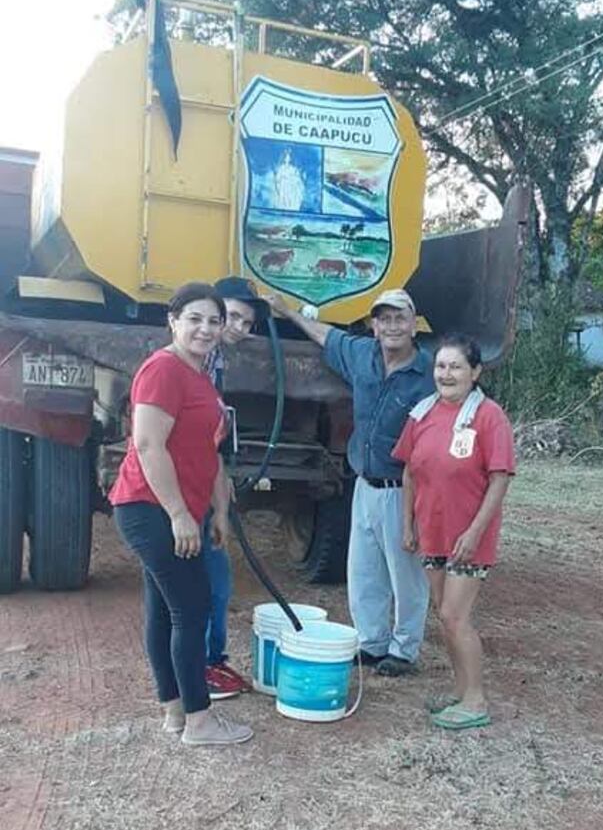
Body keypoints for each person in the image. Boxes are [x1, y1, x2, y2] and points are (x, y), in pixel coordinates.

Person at [110, 282, 253, 747]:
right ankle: (200, 720)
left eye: (214, 320)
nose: (206, 329)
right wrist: (177, 513)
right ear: (172, 320)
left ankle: (174, 712)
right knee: (191, 610)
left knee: (165, 612)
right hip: (149, 507)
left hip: (175, 509)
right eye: (194, 318)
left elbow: (208, 453)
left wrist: (217, 511)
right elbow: (148, 445)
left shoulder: (200, 378)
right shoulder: (163, 369)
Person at [270, 287, 434, 675]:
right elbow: (326, 335)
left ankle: (405, 649)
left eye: (400, 318)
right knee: (364, 570)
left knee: (406, 574)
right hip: (364, 482)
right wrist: (288, 311)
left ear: (414, 325)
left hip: (404, 488)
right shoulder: (363, 355)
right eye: (384, 319)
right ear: (374, 327)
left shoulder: (430, 372)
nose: (392, 326)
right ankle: (372, 642)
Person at [393, 333, 515, 729]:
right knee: (445, 618)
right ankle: (461, 691)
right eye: (441, 366)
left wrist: (475, 532)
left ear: (475, 372)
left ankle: (476, 699)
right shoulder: (423, 413)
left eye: (456, 366)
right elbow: (409, 471)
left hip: (468, 536)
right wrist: (407, 524)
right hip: (433, 529)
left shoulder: (488, 415)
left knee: (454, 616)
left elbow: (499, 478)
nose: (446, 374)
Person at [195, 276, 263, 699]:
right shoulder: (186, 363)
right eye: (232, 317)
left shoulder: (213, 361)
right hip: (186, 491)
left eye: (246, 322)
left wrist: (220, 492)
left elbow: (211, 442)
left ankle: (210, 661)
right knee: (202, 583)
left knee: (216, 579)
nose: (239, 327)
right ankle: (200, 667)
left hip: (205, 483)